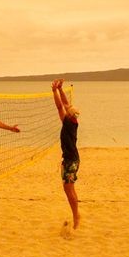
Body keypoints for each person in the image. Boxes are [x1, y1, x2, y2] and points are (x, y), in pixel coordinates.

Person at [52, 79, 81, 229]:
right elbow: (64, 104)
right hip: (70, 159)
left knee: (69, 189)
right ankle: (76, 214)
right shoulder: (73, 120)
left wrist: (54, 91)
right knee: (69, 188)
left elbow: (59, 106)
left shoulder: (68, 122)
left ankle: (76, 216)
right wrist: (61, 89)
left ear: (69, 115)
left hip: (71, 161)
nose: (66, 108)